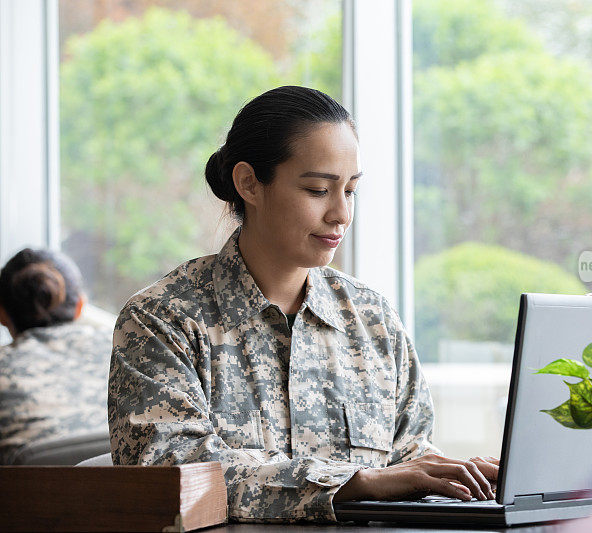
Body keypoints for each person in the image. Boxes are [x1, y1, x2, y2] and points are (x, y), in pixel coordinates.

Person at [108, 85, 499, 523]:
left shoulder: (372, 320)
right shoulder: (163, 321)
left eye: (350, 191)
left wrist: (465, 482)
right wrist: (355, 483)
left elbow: (410, 461)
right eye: (317, 190)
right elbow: (171, 479)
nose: (341, 214)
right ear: (249, 184)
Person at [0, 248, 111, 464]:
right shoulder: (127, 351)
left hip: (32, 497)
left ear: (2, 314)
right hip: (138, 494)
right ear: (80, 306)